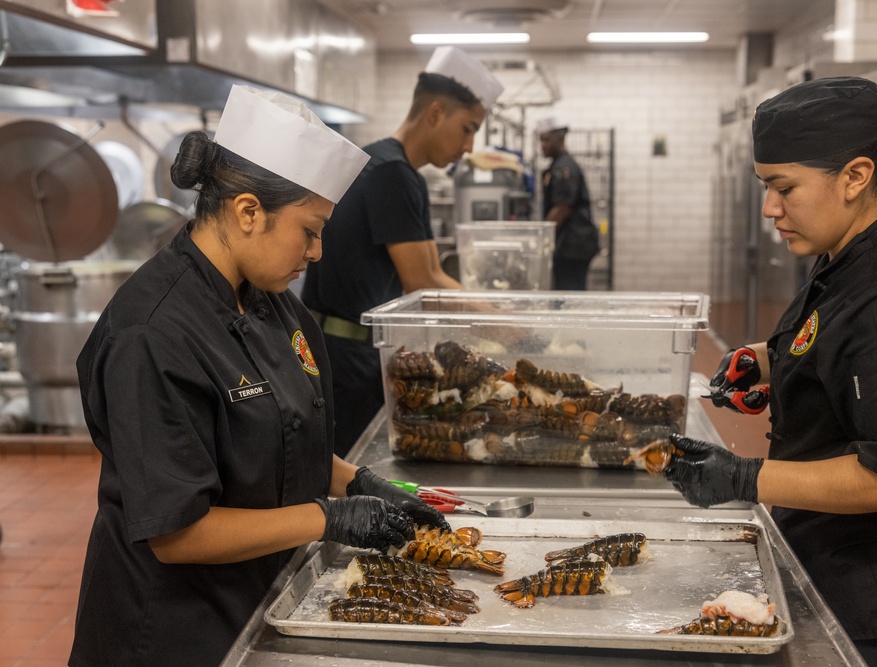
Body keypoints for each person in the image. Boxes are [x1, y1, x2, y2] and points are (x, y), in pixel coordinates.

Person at [69, 85, 448, 667]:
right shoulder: (151, 333)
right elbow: (177, 534)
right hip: (170, 631)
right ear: (248, 212)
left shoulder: (274, 304)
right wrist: (330, 518)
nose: (317, 252)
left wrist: (360, 483)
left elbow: (280, 439)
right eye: (310, 229)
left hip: (256, 600)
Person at [665, 77, 877, 666]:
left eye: (785, 188)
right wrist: (772, 361)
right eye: (765, 186)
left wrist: (743, 479)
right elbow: (839, 343)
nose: (769, 208)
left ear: (855, 177)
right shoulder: (858, 246)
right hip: (834, 559)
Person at [302, 46, 504, 457]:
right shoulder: (391, 173)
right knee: (352, 474)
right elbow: (424, 282)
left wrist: (495, 317)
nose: (468, 146)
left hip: (351, 350)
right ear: (434, 114)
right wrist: (504, 327)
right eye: (467, 128)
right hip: (347, 357)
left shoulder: (392, 167)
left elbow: (431, 271)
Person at [537, 116, 599, 290]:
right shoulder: (558, 165)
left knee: (568, 294)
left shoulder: (565, 168)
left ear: (561, 138)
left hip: (573, 247)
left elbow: (562, 208)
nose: (542, 145)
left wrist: (541, 237)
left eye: (546, 140)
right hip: (570, 246)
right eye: (541, 140)